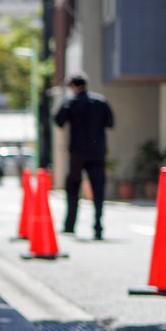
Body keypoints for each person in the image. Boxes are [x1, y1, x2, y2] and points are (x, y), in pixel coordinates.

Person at [54, 75, 114, 239]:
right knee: (98, 189)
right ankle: (98, 226)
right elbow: (110, 123)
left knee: (73, 187)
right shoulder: (101, 101)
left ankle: (70, 225)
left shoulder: (71, 102)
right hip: (97, 152)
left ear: (73, 86)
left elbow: (58, 121)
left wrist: (66, 103)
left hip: (77, 152)